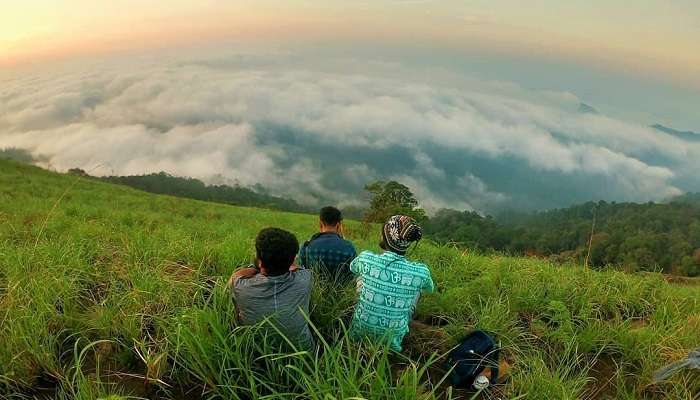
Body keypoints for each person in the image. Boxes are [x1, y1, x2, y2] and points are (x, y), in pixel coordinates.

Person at [349, 215, 434, 352]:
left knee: (360, 277)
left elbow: (352, 268)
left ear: (385, 237)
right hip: (391, 343)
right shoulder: (421, 272)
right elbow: (430, 288)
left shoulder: (365, 258)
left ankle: (363, 317)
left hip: (357, 336)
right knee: (418, 290)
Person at [229, 227, 314, 351]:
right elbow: (296, 267)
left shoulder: (240, 285)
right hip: (302, 355)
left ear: (260, 261)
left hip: (254, 355)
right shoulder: (306, 279)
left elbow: (236, 275)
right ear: (291, 260)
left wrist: (257, 267)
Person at [298, 206, 357, 282]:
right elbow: (352, 275)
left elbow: (302, 273)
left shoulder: (307, 246)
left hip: (312, 292)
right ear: (338, 225)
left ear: (321, 223)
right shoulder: (349, 248)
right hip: (341, 293)